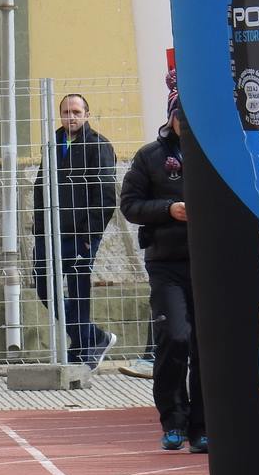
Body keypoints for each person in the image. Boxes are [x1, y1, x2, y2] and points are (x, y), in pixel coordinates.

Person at [120, 91, 206, 453]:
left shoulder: (215, 152)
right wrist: (169, 208)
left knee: (206, 347)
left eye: (191, 116)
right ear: (170, 117)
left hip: (209, 264)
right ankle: (173, 421)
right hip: (166, 263)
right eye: (179, 116)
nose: (184, 123)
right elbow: (130, 205)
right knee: (176, 337)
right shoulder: (150, 156)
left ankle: (202, 428)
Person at [31, 92, 119, 368]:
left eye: (76, 112)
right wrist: (40, 228)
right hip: (50, 234)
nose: (71, 117)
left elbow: (105, 196)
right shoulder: (53, 144)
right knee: (46, 290)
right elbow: (40, 188)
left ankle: (81, 351)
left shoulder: (98, 146)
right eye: (66, 112)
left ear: (86, 115)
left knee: (79, 294)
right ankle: (94, 337)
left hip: (80, 236)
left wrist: (89, 236)